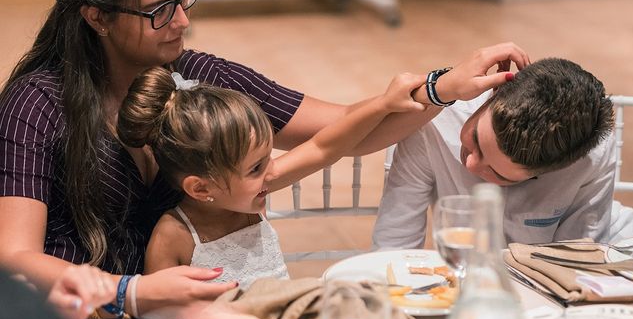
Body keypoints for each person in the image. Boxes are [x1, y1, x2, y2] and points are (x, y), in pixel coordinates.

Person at [0, 0, 527, 319]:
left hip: (198, 315)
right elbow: (14, 255)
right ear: (96, 16)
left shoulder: (199, 79)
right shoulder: (37, 105)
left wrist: (445, 86)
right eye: (160, 10)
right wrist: (130, 294)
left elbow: (347, 130)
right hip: (88, 317)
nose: (183, 20)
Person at [118, 67, 425, 286]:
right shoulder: (173, 237)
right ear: (200, 188)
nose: (271, 171)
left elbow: (323, 146)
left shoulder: (249, 196)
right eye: (255, 168)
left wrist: (383, 104)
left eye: (267, 159)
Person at [373, 58, 633, 250]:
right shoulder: (433, 123)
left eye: (498, 173)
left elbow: (573, 261)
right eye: (475, 138)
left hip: (610, 252)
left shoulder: (592, 156)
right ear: (494, 93)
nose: (470, 163)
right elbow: (394, 246)